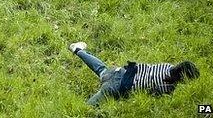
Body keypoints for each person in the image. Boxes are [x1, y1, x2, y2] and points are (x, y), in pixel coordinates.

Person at [68, 41, 199, 106]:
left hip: (120, 72)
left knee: (102, 69)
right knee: (89, 107)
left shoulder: (167, 66)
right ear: (184, 78)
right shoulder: (168, 88)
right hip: (117, 88)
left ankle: (78, 50)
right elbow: (149, 97)